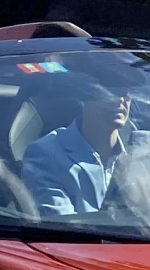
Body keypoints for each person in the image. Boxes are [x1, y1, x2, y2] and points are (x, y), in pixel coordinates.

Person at [20, 86, 135, 218]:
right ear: (84, 98)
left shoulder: (144, 150)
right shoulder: (45, 154)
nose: (120, 100)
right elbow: (62, 226)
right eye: (109, 92)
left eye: (125, 93)